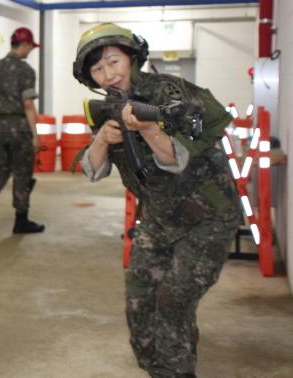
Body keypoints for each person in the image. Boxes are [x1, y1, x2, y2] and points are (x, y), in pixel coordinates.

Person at [73, 23, 242, 377]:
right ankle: (158, 367)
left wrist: (148, 129)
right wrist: (103, 138)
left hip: (208, 218)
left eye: (114, 62)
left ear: (133, 59)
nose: (109, 74)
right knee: (139, 303)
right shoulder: (109, 108)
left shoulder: (171, 95)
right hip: (159, 219)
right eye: (98, 69)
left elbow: (176, 160)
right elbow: (92, 170)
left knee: (173, 301)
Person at [0, 27, 45, 236]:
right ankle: (21, 221)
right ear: (26, 44)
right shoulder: (26, 71)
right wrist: (36, 136)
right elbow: (28, 105)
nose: (31, 51)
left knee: (0, 172)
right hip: (20, 130)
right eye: (31, 47)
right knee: (22, 173)